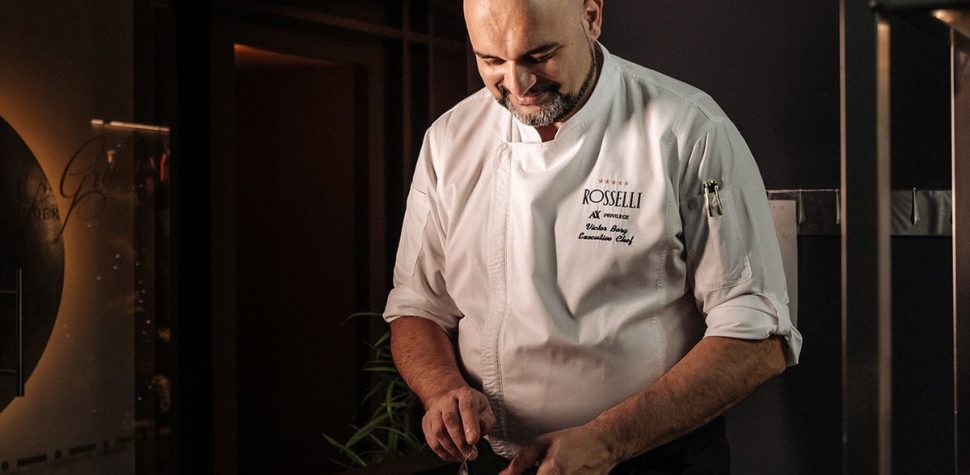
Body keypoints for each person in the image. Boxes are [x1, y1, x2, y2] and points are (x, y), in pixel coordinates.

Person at [383, 0, 803, 473]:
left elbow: (757, 332)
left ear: (591, 16)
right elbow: (418, 306)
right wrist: (441, 388)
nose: (517, 85)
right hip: (495, 461)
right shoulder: (449, 140)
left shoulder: (689, 129)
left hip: (654, 460)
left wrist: (608, 441)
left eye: (539, 56)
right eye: (492, 61)